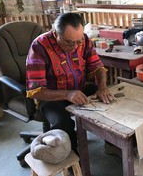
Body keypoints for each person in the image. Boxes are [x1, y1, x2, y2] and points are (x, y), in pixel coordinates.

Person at [26, 13, 113, 154]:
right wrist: (67, 94)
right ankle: (72, 159)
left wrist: (102, 87)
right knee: (63, 124)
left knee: (109, 101)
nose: (75, 46)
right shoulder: (39, 46)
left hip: (79, 88)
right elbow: (36, 90)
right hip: (51, 97)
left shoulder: (83, 40)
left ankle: (112, 145)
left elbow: (97, 66)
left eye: (78, 41)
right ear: (56, 34)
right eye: (69, 42)